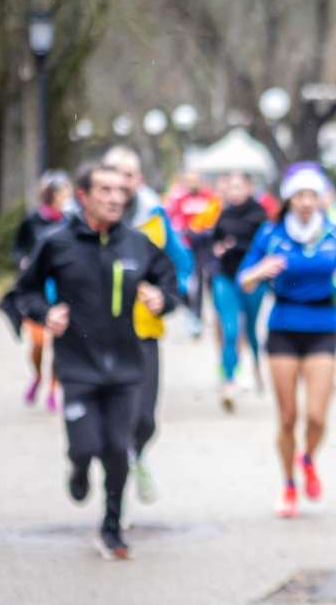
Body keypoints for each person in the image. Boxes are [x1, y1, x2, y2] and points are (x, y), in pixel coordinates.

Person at [11, 162, 179, 560]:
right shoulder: (57, 242)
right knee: (86, 445)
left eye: (121, 191)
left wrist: (162, 300)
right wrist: (43, 312)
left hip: (125, 364)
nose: (115, 198)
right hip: (77, 364)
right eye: (104, 190)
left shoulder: (137, 244)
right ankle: (78, 467)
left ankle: (112, 527)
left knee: (118, 449)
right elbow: (24, 291)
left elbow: (170, 279)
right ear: (83, 196)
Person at [237, 164, 336, 518]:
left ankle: (307, 459)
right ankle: (289, 484)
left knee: (317, 417)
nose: (306, 202)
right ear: (289, 198)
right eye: (299, 195)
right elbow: (244, 279)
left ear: (321, 199)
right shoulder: (271, 234)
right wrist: (260, 272)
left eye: (312, 195)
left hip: (323, 325)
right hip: (283, 327)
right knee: (288, 418)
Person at [102, 147, 194, 505]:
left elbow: (181, 267)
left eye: (130, 174)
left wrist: (166, 295)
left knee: (144, 420)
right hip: (98, 334)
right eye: (115, 173)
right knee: (108, 420)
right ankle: (114, 497)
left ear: (139, 180)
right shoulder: (88, 219)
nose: (123, 182)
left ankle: (136, 455)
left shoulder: (155, 220)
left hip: (144, 331)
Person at [11, 170, 72, 412]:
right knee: (38, 343)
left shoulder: (69, 222)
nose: (67, 196)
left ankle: (54, 387)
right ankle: (37, 376)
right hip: (37, 289)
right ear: (52, 194)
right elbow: (17, 248)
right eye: (63, 191)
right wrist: (23, 261)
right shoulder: (32, 221)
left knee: (58, 341)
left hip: (60, 290)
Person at [211, 171, 269, 411]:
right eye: (230, 187)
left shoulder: (259, 214)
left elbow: (265, 246)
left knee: (252, 331)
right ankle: (229, 380)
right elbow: (214, 240)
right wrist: (220, 248)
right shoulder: (223, 213)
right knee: (231, 330)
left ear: (249, 187)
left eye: (238, 187)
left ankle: (256, 366)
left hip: (253, 281)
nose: (234, 192)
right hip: (225, 278)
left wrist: (237, 245)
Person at [166, 170, 222, 337]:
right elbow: (172, 220)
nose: (192, 184)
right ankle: (195, 317)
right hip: (186, 248)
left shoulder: (209, 197)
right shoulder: (179, 199)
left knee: (210, 281)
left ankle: (216, 316)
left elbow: (216, 219)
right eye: (189, 181)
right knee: (191, 285)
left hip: (206, 247)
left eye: (195, 180)